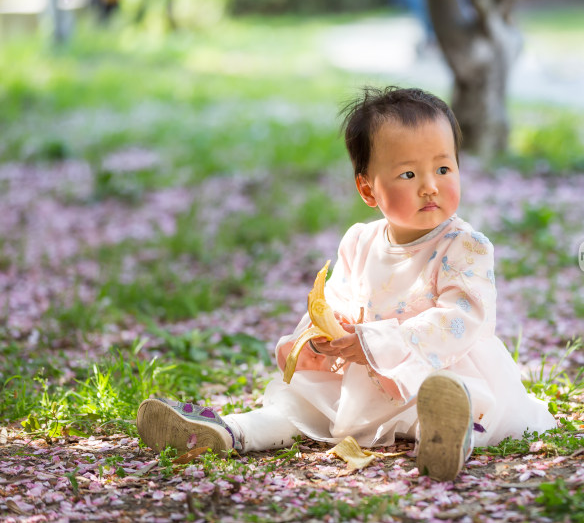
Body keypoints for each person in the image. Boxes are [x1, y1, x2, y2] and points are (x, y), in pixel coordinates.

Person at [137, 86, 556, 481]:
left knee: (453, 401)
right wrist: (323, 335)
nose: (430, 186)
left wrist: (379, 341)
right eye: (408, 174)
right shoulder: (359, 241)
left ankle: (448, 438)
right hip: (365, 378)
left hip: (442, 367)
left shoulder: (465, 246)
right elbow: (336, 299)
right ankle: (229, 432)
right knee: (303, 406)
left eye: (443, 168)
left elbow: (463, 318)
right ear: (367, 189)